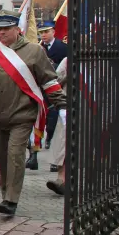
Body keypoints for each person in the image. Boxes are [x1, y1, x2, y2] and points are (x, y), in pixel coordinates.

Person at [0, 10, 66, 216]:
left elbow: (49, 80)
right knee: (3, 159)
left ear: (17, 29)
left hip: (23, 114)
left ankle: (11, 199)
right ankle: (5, 195)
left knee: (15, 156)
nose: (1, 32)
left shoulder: (34, 51)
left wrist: (62, 105)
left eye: (6, 29)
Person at [39, 20, 68, 155]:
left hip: (56, 85)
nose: (43, 35)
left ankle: (50, 136)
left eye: (46, 32)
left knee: (53, 114)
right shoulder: (37, 48)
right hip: (41, 86)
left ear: (53, 32)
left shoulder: (63, 47)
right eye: (41, 32)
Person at [46, 56, 68, 195]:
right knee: (64, 142)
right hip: (68, 105)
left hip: (92, 107)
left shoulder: (100, 60)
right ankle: (61, 179)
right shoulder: (67, 61)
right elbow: (55, 81)